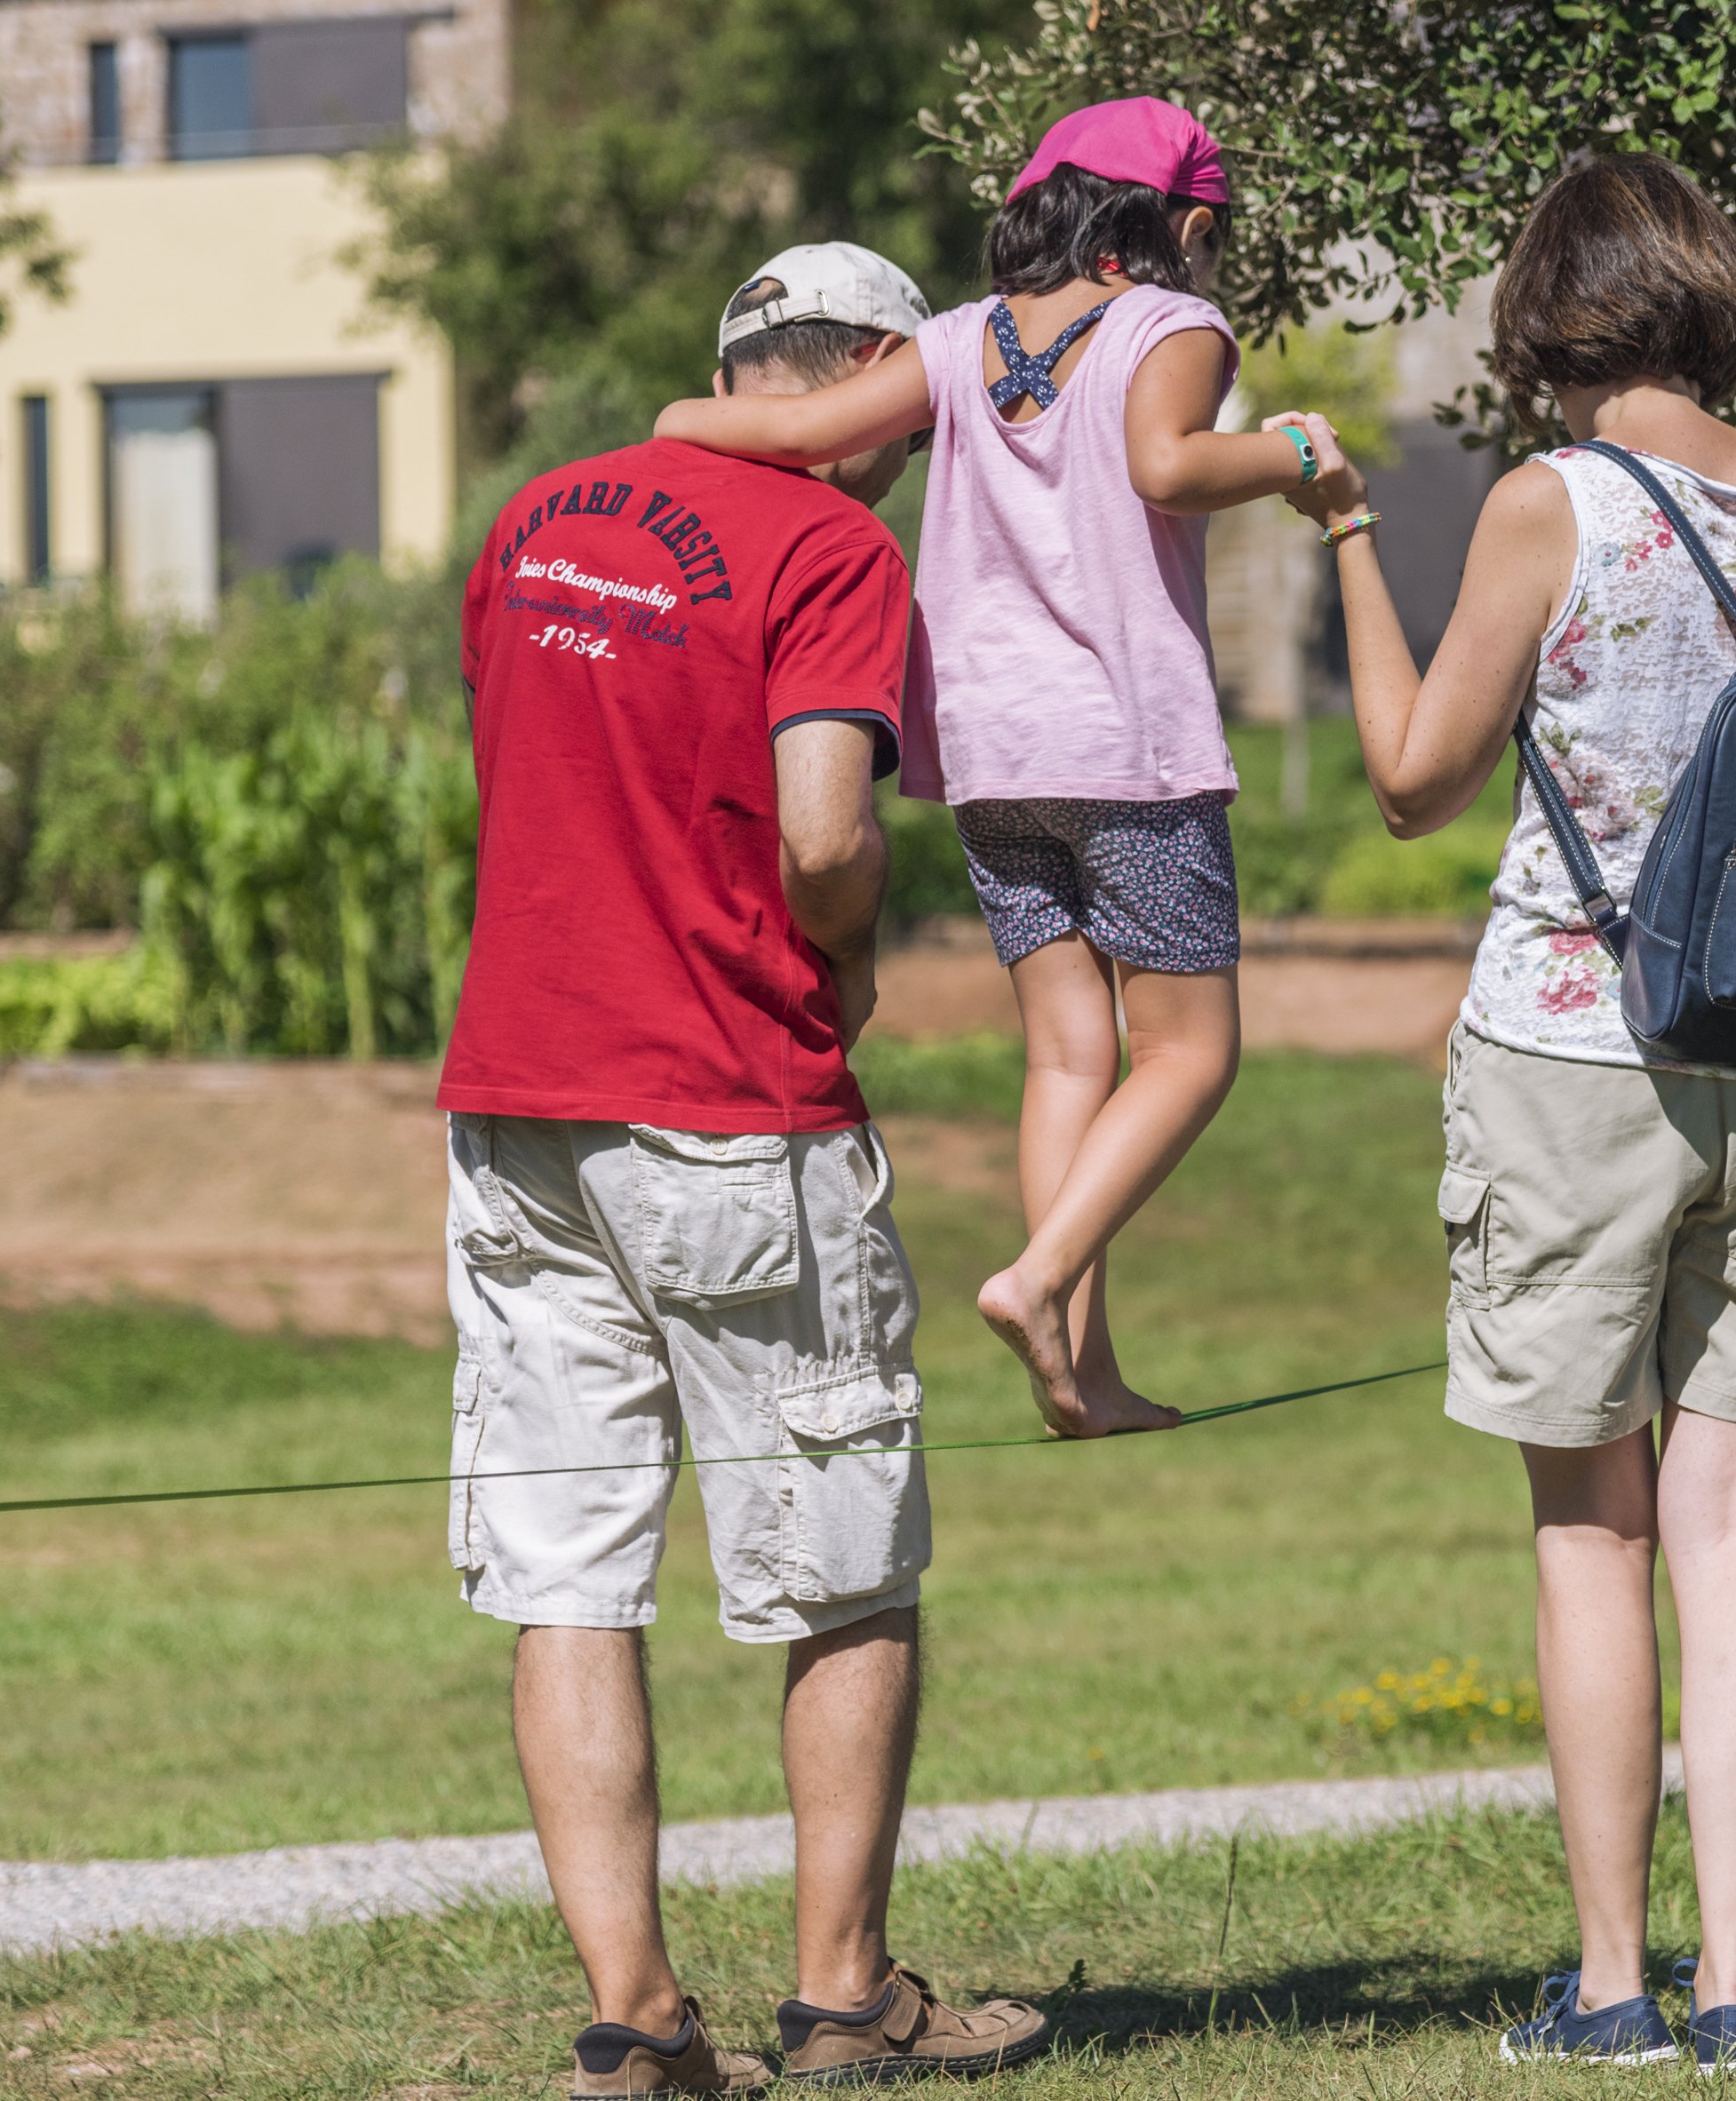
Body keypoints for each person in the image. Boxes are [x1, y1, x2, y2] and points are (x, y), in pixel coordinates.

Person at [1285, 155, 1736, 2074]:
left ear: (1549, 314)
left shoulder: (1548, 504)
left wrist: (1335, 538)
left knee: (1591, 1531)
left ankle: (1610, 1986)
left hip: (1578, 1051)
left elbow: (1405, 777)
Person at [437, 241, 1050, 2099]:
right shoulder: (825, 548)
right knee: (841, 1557)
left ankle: (630, 2023)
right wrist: (852, 944)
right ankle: (843, 1996)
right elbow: (820, 823)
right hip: (728, 1098)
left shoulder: (539, 514)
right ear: (867, 371)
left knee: (569, 1565)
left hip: (518, 1100)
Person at [651, 100, 1350, 1441]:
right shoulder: (1174, 326)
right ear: (1189, 228)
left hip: (987, 758)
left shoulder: (961, 339)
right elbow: (1170, 466)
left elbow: (799, 435)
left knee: (1067, 1053)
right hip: (1128, 750)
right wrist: (1301, 456)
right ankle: (1035, 1279)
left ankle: (1086, 1376)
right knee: (1192, 1054)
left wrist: (682, 415)